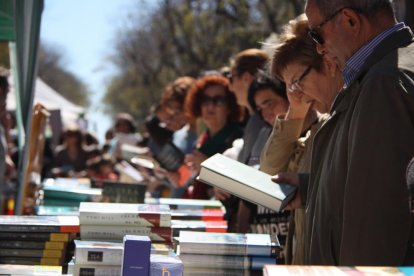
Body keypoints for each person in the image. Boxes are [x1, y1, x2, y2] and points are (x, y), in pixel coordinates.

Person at [277, 0, 414, 265]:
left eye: (317, 33)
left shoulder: (384, 83)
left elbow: (377, 220)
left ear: (350, 20)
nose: (318, 48)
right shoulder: (379, 75)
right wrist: (310, 187)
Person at [260, 14, 343, 264]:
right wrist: (295, 112)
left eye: (297, 81)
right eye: (288, 86)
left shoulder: (346, 121)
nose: (295, 93)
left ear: (328, 64)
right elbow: (270, 169)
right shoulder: (318, 128)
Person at [184, 75, 244, 228]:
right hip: (202, 220)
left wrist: (206, 165)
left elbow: (239, 189)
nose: (210, 106)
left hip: (228, 224)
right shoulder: (202, 139)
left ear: (229, 106)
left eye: (218, 100)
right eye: (205, 100)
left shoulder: (239, 139)